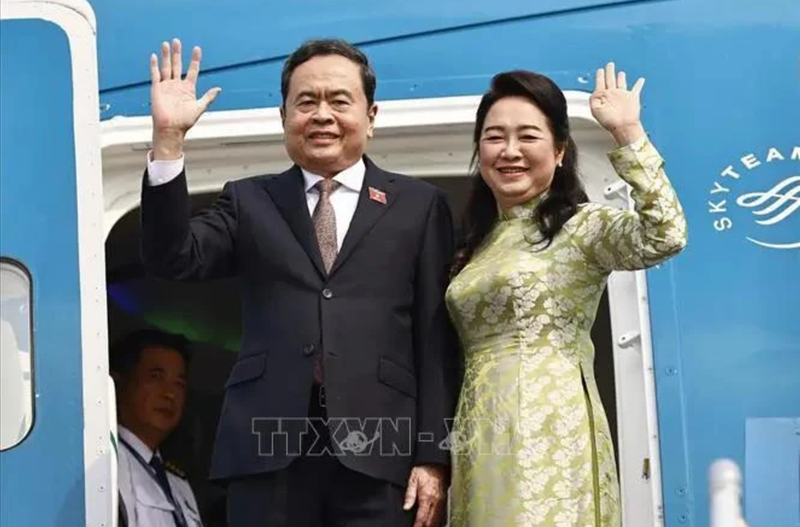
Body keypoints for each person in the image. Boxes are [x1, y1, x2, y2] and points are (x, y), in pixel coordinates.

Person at [139, 38, 460, 527]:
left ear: (371, 116)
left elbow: (435, 339)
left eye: (339, 100)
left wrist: (434, 456)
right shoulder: (250, 201)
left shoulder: (418, 205)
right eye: (306, 102)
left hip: (380, 456)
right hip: (268, 455)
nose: (322, 114)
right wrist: (168, 142)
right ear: (283, 115)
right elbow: (174, 258)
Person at [444, 63, 688, 526]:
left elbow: (666, 235)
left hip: (548, 424)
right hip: (477, 426)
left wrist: (627, 133)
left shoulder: (581, 227)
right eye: (495, 137)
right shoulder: (476, 242)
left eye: (528, 136)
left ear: (559, 152)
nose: (510, 151)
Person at [111, 328, 203, 527]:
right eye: (156, 377)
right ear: (118, 383)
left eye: (179, 383)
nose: (169, 394)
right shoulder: (106, 463)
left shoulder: (178, 483)